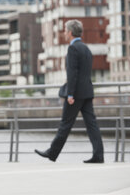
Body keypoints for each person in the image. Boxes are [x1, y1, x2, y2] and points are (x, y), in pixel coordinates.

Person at [35, 19, 104, 163]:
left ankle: (52, 153)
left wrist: (70, 94)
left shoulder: (73, 49)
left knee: (65, 124)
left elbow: (72, 74)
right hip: (87, 92)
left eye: (65, 31)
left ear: (71, 32)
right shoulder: (86, 48)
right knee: (92, 124)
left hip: (76, 94)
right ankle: (98, 155)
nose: (64, 33)